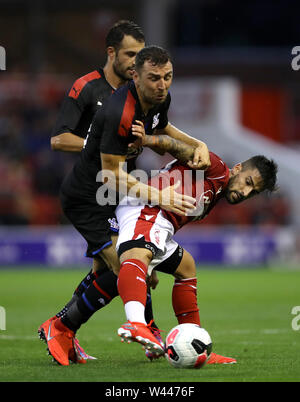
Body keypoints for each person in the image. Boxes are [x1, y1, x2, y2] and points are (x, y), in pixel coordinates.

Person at [38, 46, 220, 366]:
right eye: (154, 78)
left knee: (124, 272)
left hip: (113, 197)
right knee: (125, 269)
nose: (162, 84)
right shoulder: (119, 111)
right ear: (135, 75)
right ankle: (62, 327)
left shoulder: (159, 98)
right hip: (89, 199)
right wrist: (158, 195)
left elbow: (164, 130)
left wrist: (198, 144)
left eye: (167, 77)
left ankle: (85, 327)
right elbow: (109, 175)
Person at [115, 132, 278, 360]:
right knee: (135, 257)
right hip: (148, 208)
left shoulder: (216, 190)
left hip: (159, 222)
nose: (245, 193)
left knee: (186, 268)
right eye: (248, 183)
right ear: (239, 168)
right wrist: (148, 140)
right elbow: (174, 145)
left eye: (254, 192)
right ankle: (135, 324)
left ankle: (197, 343)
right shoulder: (217, 168)